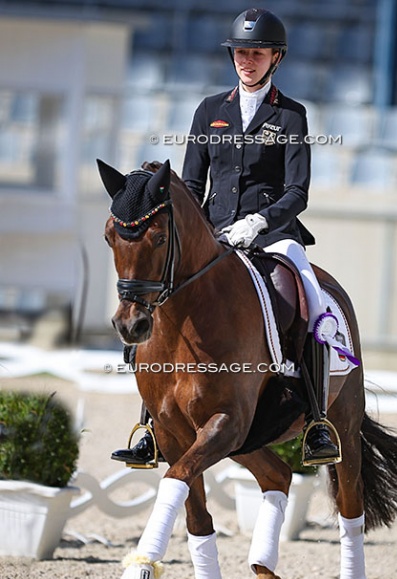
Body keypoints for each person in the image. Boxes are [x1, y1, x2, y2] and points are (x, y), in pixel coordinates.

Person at [112, 7, 343, 467]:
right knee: (163, 298)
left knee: (309, 297)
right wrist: (199, 229)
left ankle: (317, 419)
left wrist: (260, 221)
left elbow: (298, 190)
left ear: (275, 57)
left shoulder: (291, 115)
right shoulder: (209, 111)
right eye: (240, 52)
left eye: (256, 53)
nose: (246, 60)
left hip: (273, 235)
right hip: (214, 234)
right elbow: (192, 186)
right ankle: (149, 427)